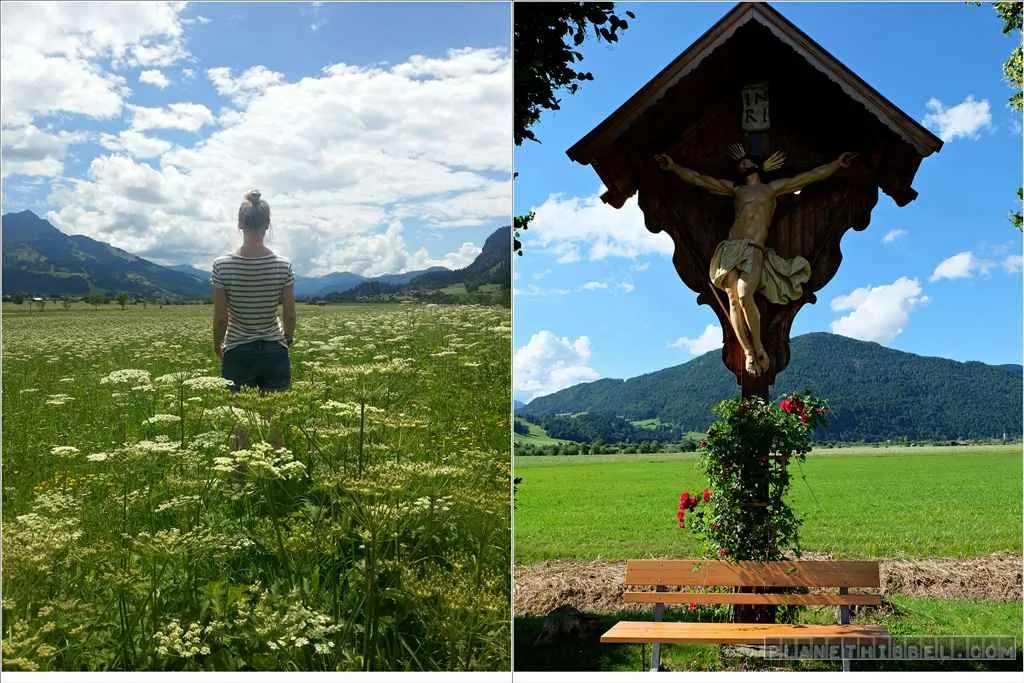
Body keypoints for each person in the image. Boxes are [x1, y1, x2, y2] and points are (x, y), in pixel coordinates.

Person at [654, 146, 856, 377]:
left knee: (743, 293)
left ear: (757, 165)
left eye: (746, 161)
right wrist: (673, 166)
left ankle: (759, 346)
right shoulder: (736, 190)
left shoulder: (771, 189)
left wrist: (837, 164)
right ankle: (749, 352)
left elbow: (809, 177)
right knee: (732, 297)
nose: (743, 164)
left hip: (754, 249)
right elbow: (700, 180)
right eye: (739, 164)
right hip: (731, 247)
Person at [211, 189, 296, 392]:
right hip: (275, 348)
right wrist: (288, 338)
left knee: (240, 418)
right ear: (267, 225)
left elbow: (221, 318)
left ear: (240, 224)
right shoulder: (283, 266)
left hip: (237, 349)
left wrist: (217, 344)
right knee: (274, 416)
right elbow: (290, 314)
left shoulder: (221, 265)